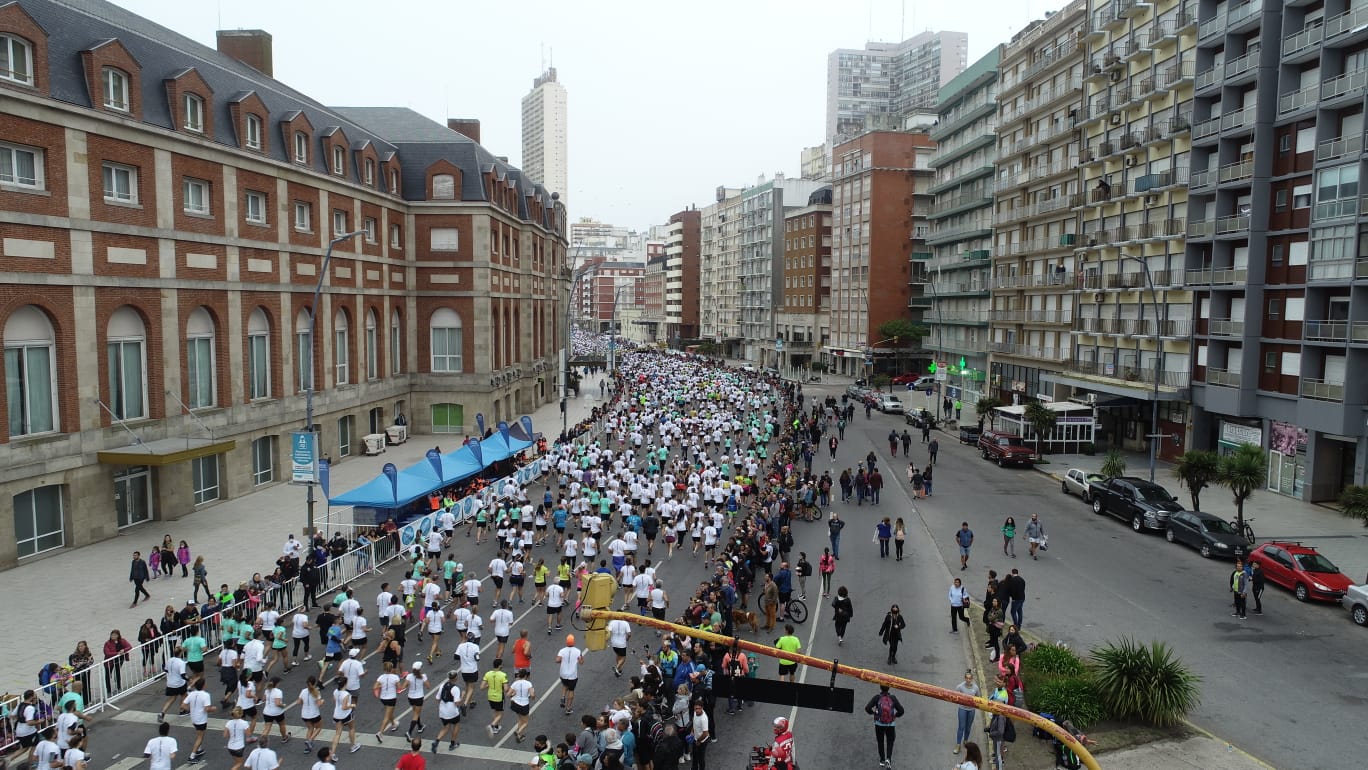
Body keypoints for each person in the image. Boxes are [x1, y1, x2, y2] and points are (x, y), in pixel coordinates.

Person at [864, 685, 904, 768]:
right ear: (889, 688)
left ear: (880, 687)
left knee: (880, 742)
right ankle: (888, 759)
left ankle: (882, 760)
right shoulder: (893, 698)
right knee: (890, 741)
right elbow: (901, 710)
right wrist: (895, 716)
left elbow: (867, 708)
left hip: (879, 724)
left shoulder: (877, 697)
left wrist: (874, 713)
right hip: (890, 724)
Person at [432, 671, 463, 753]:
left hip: (442, 711)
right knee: (456, 725)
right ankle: (452, 744)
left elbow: (437, 699)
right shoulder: (455, 688)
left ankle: (436, 741)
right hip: (452, 711)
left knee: (446, 727)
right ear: (456, 678)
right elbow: (457, 703)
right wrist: (462, 697)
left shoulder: (442, 685)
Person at [954, 670, 979, 755]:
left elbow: (979, 699)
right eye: (967, 678)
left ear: (972, 679)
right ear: (965, 678)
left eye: (970, 678)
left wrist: (974, 705)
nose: (968, 680)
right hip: (962, 709)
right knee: (961, 727)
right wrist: (960, 701)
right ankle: (958, 745)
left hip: (971, 710)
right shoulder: (960, 687)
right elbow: (955, 696)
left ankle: (965, 740)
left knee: (968, 727)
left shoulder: (975, 688)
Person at [688, 701, 710, 770]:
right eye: (696, 708)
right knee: (695, 756)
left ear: (702, 708)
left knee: (701, 758)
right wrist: (692, 731)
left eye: (698, 708)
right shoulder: (695, 713)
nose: (697, 710)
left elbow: (705, 733)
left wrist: (698, 740)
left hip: (702, 741)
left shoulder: (704, 719)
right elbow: (694, 723)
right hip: (696, 739)